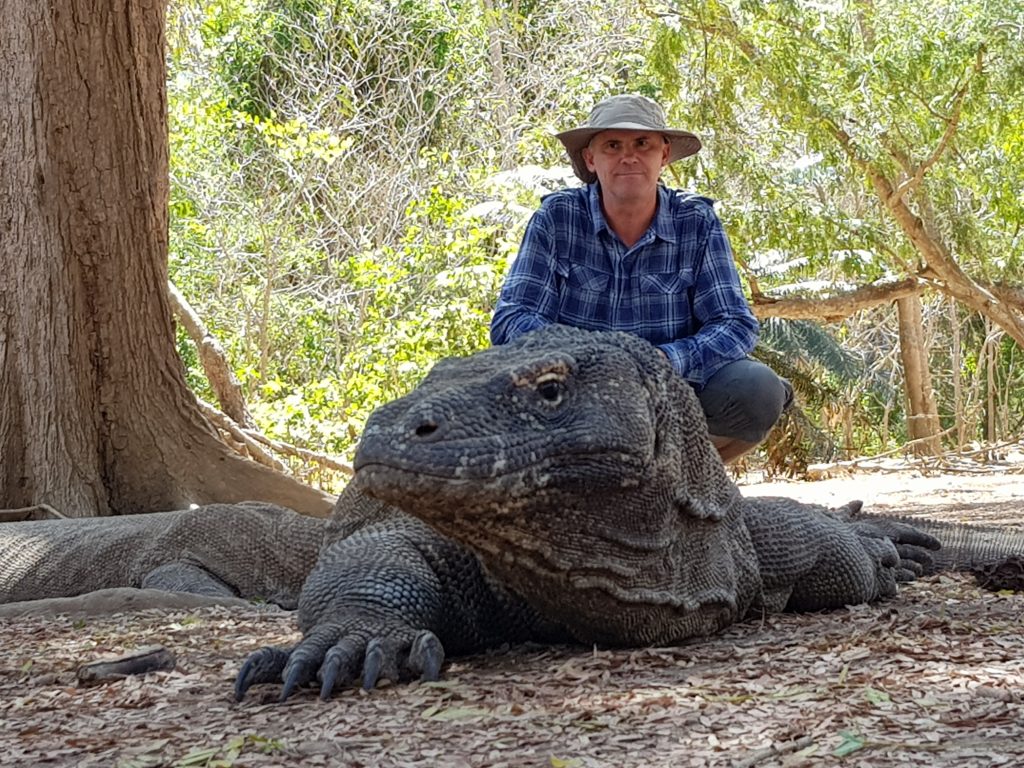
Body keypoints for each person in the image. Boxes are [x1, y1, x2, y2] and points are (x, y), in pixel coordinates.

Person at [490, 94, 792, 463]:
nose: (628, 157)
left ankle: (678, 476)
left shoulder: (696, 221)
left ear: (663, 155)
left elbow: (734, 323)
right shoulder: (557, 218)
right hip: (573, 394)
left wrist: (663, 360)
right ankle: (578, 473)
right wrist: (587, 361)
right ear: (590, 158)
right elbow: (512, 318)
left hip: (673, 393)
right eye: (612, 146)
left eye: (642, 144)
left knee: (758, 390)